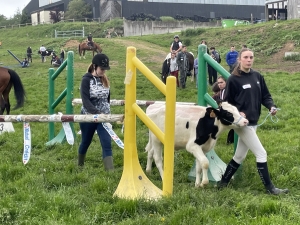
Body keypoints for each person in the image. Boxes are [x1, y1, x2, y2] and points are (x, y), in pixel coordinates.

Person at [218, 48, 289, 195]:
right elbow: (226, 104)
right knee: (261, 153)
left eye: (251, 57)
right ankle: (270, 189)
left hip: (254, 121)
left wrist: (271, 106)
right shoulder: (233, 79)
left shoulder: (257, 76)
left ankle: (222, 183)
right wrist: (238, 113)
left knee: (239, 156)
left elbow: (265, 96)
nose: (249, 60)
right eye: (246, 57)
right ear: (239, 59)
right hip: (243, 124)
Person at [78, 53, 114, 171]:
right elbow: (86, 101)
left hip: (104, 117)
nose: (104, 71)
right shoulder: (86, 80)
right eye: (102, 69)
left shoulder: (105, 80)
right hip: (89, 116)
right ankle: (80, 165)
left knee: (106, 143)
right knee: (85, 142)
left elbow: (106, 98)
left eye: (105, 69)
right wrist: (97, 112)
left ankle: (110, 172)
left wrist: (105, 113)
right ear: (94, 66)